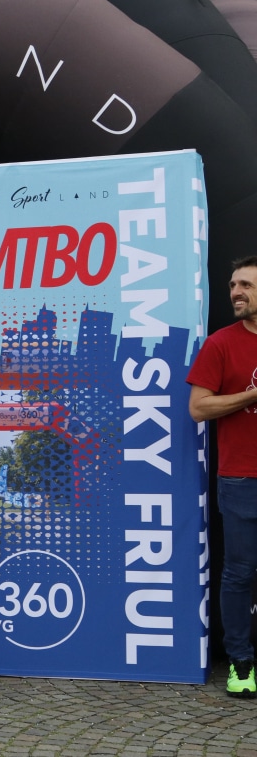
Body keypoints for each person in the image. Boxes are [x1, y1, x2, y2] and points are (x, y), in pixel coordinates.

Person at [187, 255, 257, 697]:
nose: (236, 292)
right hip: (241, 478)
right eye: (233, 285)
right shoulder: (221, 343)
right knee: (239, 574)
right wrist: (252, 395)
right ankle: (241, 663)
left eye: (245, 285)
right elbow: (198, 407)